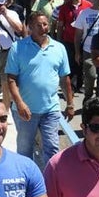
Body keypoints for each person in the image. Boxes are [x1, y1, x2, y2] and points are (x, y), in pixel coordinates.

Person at [6, 11, 74, 168]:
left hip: (50, 109)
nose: (43, 28)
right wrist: (20, 103)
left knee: (52, 149)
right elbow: (11, 79)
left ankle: (49, 183)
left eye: (45, 24)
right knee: (25, 151)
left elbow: (65, 79)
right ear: (30, 27)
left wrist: (70, 103)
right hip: (25, 111)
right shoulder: (18, 48)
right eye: (38, 25)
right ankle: (28, 182)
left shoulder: (59, 48)